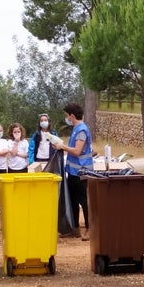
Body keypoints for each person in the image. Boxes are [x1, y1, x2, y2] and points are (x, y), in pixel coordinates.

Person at [53, 103, 94, 241]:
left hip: (81, 173)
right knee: (73, 200)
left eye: (66, 116)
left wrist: (62, 146)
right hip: (73, 172)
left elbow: (77, 151)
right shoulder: (77, 129)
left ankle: (90, 229)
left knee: (84, 201)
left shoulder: (81, 130)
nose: (66, 118)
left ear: (71, 115)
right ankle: (74, 228)